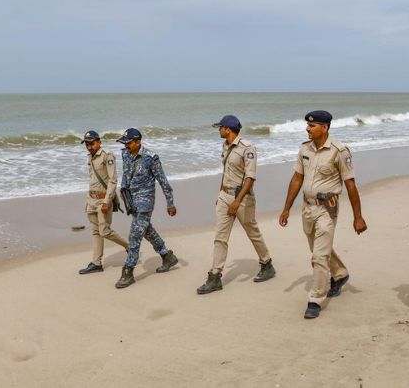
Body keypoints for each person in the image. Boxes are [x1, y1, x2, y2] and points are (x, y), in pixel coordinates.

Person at [278, 110, 367, 319]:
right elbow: (297, 178)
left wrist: (358, 217)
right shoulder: (304, 149)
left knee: (318, 255)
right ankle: (340, 273)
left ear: (325, 128)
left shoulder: (339, 151)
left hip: (328, 208)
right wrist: (286, 208)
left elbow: (350, 185)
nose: (308, 128)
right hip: (307, 208)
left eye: (313, 125)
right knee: (319, 249)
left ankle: (316, 299)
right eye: (308, 125)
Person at [197, 115, 276, 294]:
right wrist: (221, 194)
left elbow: (250, 177)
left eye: (220, 127)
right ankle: (215, 276)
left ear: (228, 129)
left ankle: (267, 264)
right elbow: (226, 172)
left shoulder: (248, 148)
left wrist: (237, 201)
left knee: (252, 232)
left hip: (242, 198)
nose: (219, 130)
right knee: (220, 237)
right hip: (225, 196)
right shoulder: (225, 146)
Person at [114, 128, 179, 289]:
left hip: (145, 202)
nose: (126, 145)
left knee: (135, 235)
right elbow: (126, 175)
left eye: (128, 143)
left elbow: (164, 182)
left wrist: (170, 203)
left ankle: (128, 271)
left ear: (138, 142)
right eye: (125, 143)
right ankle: (167, 256)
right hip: (131, 201)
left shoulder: (151, 158)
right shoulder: (125, 154)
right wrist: (122, 194)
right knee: (147, 230)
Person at [78, 130, 129, 275]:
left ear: (99, 142)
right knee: (95, 232)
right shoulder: (90, 157)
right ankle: (96, 263)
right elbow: (92, 179)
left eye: (92, 143)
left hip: (103, 200)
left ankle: (129, 247)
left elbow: (113, 180)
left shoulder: (107, 155)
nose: (89, 147)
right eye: (87, 144)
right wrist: (88, 201)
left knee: (105, 231)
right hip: (92, 199)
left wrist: (107, 201)